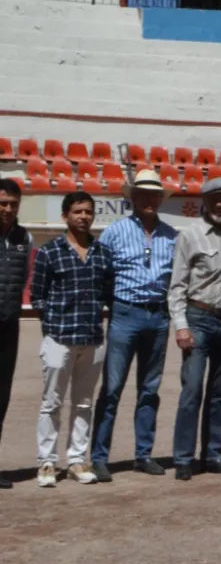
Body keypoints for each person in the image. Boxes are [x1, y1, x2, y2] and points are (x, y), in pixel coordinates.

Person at [91, 169, 178, 481]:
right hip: (125, 313)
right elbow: (100, 274)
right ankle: (99, 456)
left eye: (155, 195)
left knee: (150, 389)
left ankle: (144, 453)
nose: (150, 200)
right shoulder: (114, 233)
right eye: (144, 194)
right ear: (133, 198)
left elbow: (177, 280)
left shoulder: (171, 235)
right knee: (112, 388)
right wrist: (112, 306)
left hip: (158, 315)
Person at [30, 192, 114, 487]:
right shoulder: (49, 251)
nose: (84, 217)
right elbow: (37, 296)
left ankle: (77, 460)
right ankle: (47, 462)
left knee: (83, 403)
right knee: (51, 402)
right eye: (77, 211)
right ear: (65, 216)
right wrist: (52, 327)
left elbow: (107, 294)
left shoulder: (103, 253)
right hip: (59, 338)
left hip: (92, 337)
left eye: (88, 212)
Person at [167, 178, 221, 481]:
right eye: (214, 199)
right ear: (205, 202)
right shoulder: (191, 235)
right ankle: (184, 457)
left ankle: (213, 454)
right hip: (198, 318)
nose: (220, 204)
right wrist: (181, 326)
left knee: (220, 392)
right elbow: (177, 286)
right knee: (192, 390)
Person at [0, 178, 32, 490]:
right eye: (3, 203)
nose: (8, 209)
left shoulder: (24, 237)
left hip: (8, 324)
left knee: (1, 397)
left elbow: (22, 278)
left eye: (13, 204)